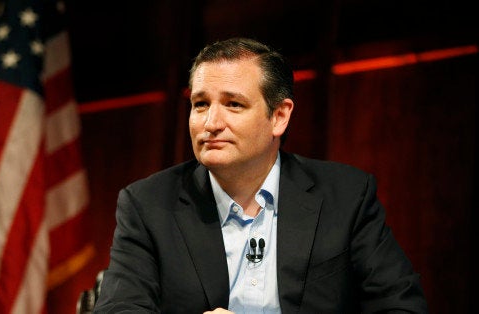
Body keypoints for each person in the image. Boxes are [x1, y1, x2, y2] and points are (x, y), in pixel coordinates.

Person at [93, 37, 427, 313]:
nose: (211, 123)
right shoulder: (147, 204)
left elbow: (401, 307)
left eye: (234, 104)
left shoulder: (346, 196)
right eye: (200, 104)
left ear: (279, 117)